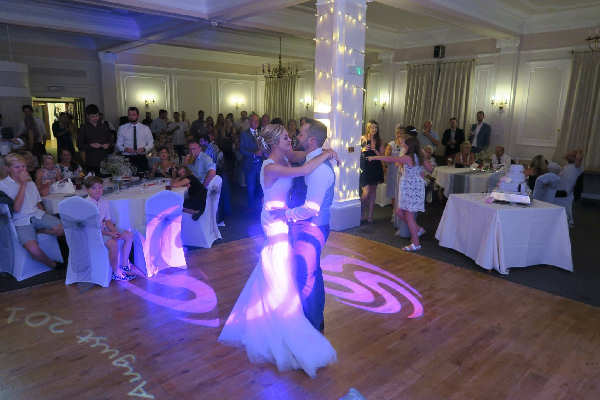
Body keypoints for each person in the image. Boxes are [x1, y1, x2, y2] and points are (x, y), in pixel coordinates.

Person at [219, 123, 338, 378]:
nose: (292, 139)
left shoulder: (284, 155)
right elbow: (306, 167)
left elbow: (305, 157)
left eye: (294, 135)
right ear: (274, 143)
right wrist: (328, 153)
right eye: (286, 137)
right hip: (275, 220)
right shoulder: (272, 166)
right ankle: (284, 323)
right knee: (279, 268)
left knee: (283, 271)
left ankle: (286, 316)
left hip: (284, 218)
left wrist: (323, 151)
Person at [369, 136, 433, 251]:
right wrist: (420, 172)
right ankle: (418, 229)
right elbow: (430, 169)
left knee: (408, 215)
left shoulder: (408, 158)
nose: (403, 146)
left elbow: (390, 159)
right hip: (415, 187)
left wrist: (374, 157)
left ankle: (416, 243)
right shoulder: (420, 157)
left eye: (405, 145)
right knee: (399, 211)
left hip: (410, 188)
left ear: (409, 147)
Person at [0, 153, 64, 268]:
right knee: (33, 249)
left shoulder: (30, 182)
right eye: (17, 167)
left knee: (63, 229)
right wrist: (23, 184)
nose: (22, 169)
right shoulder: (3, 185)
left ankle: (39, 231)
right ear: (8, 168)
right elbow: (16, 208)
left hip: (37, 214)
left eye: (23, 166)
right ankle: (53, 265)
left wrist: (47, 217)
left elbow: (38, 203)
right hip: (20, 220)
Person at [84, 176, 135, 281]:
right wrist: (110, 234)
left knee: (128, 235)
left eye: (100, 187)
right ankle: (115, 272)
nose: (98, 190)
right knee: (113, 243)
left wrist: (114, 231)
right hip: (92, 233)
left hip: (103, 229)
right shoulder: (86, 205)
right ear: (87, 190)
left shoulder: (104, 201)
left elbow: (107, 220)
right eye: (94, 188)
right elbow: (91, 228)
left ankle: (125, 264)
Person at [360, 120, 384, 223]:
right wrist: (363, 149)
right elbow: (355, 152)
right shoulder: (362, 138)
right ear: (368, 128)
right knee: (366, 192)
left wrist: (374, 150)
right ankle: (360, 214)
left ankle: (370, 216)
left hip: (375, 167)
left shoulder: (380, 141)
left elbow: (383, 157)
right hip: (365, 167)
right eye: (372, 127)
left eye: (376, 127)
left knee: (373, 192)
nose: (374, 129)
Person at [116, 107, 154, 172]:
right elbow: (118, 144)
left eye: (133, 115)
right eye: (129, 115)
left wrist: (144, 149)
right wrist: (125, 149)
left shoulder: (145, 128)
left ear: (138, 115)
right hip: (127, 157)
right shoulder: (122, 128)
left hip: (141, 157)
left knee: (143, 178)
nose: (131, 117)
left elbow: (151, 143)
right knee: (128, 179)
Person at [78, 104, 112, 175]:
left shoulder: (104, 126)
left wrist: (108, 144)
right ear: (87, 116)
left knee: (106, 180)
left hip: (104, 159)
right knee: (94, 182)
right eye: (92, 117)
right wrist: (90, 145)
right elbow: (79, 145)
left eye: (97, 116)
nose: (95, 118)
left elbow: (111, 140)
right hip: (91, 161)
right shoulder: (83, 128)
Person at [239, 113, 264, 212]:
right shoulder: (244, 134)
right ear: (249, 122)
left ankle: (261, 207)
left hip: (261, 164)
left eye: (258, 120)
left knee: (261, 186)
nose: (256, 122)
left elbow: (265, 146)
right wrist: (254, 154)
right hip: (250, 164)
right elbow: (242, 149)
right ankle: (251, 208)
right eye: (254, 120)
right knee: (251, 188)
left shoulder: (261, 133)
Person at [384, 124, 407, 215]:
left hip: (404, 172)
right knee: (394, 193)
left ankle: (403, 213)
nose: (399, 134)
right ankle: (395, 214)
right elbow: (386, 158)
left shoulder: (407, 145)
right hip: (393, 171)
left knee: (402, 193)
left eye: (401, 133)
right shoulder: (391, 144)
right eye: (397, 132)